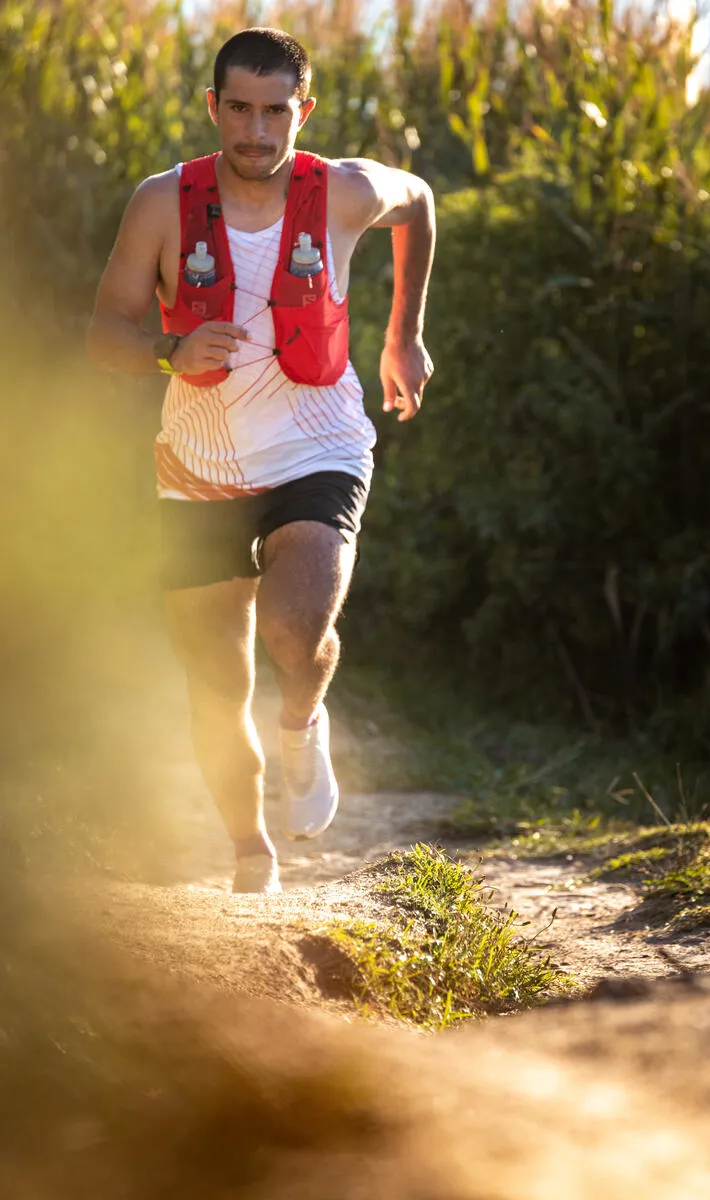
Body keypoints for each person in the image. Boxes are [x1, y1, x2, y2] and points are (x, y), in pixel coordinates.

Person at [87, 27, 435, 894]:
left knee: (293, 626)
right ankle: (251, 854)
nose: (255, 130)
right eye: (238, 108)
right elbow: (105, 333)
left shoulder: (346, 191)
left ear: (300, 112)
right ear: (213, 108)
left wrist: (404, 337)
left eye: (273, 111)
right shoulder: (162, 203)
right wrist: (171, 350)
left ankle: (304, 718)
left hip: (318, 448)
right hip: (198, 467)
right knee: (215, 682)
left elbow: (421, 200)